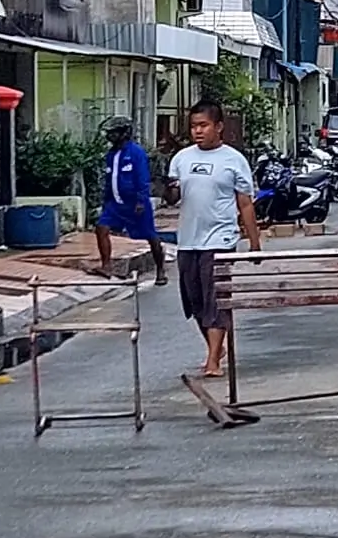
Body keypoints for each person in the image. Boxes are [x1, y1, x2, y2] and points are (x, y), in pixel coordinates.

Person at [166, 100, 259, 378]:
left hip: (220, 239)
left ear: (218, 127)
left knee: (216, 299)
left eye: (203, 125)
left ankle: (212, 361)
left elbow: (245, 203)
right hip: (188, 240)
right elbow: (172, 198)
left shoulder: (233, 160)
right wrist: (169, 190)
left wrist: (254, 242)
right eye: (194, 126)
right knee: (194, 301)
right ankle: (215, 348)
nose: (198, 131)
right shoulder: (181, 159)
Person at [93, 116, 168, 284]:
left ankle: (161, 270)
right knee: (101, 228)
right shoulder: (111, 155)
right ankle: (106, 265)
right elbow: (109, 179)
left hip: (135, 203)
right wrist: (106, 201)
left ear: (124, 133)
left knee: (150, 236)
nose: (110, 136)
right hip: (115, 204)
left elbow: (142, 178)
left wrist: (142, 201)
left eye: (114, 133)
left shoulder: (136, 152)